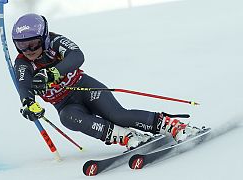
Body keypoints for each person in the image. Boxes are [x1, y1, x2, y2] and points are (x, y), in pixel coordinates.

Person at [12, 13, 201, 150]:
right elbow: (23, 84)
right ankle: (127, 137)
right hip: (65, 105)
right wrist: (28, 103)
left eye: (33, 43)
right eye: (21, 45)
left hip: (83, 87)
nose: (28, 50)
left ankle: (173, 127)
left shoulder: (55, 42)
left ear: (44, 37)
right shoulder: (22, 62)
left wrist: (53, 72)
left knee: (118, 115)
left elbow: (77, 56)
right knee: (67, 119)